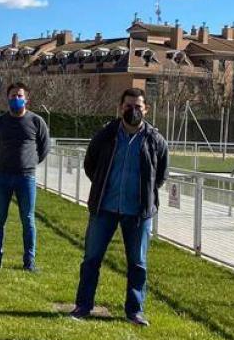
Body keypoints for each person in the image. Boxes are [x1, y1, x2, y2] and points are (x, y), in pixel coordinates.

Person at [70, 88, 168, 327]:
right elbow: (90, 164)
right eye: (128, 106)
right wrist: (105, 185)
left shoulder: (155, 140)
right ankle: (83, 305)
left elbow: (161, 174)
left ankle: (135, 310)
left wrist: (144, 195)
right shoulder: (106, 135)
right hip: (105, 207)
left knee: (137, 263)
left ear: (146, 109)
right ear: (120, 107)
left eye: (138, 106)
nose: (133, 110)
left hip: (138, 213)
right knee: (92, 258)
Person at [0, 82, 50, 271]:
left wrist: (29, 163)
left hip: (26, 178)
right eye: (13, 96)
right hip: (2, 176)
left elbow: (44, 148)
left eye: (20, 96)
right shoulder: (0, 122)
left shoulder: (36, 121)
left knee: (28, 219)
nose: (16, 99)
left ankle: (29, 261)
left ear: (26, 99)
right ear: (7, 98)